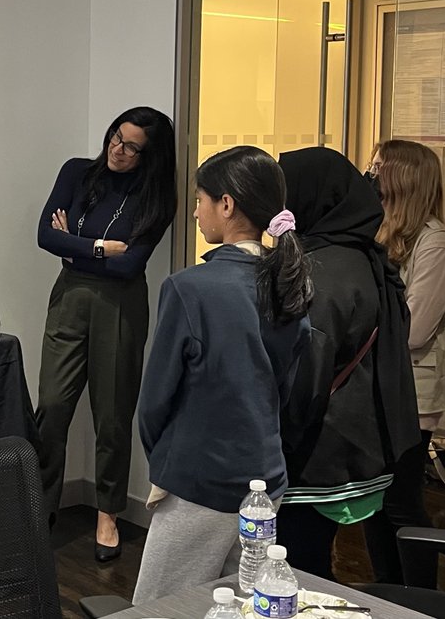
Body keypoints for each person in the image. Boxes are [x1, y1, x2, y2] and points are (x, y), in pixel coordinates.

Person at [131, 146, 312, 601]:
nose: (195, 212)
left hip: (200, 477)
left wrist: (167, 466)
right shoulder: (289, 286)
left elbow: (154, 400)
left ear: (226, 204)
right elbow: (285, 391)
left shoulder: (189, 288)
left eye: (199, 200)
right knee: (245, 603)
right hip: (266, 478)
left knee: (160, 608)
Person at [34, 106, 177, 562]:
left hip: (121, 305)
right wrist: (97, 248)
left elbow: (131, 263)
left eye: (132, 146)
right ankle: (40, 508)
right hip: (70, 297)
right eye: (117, 137)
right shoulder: (76, 173)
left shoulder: (156, 197)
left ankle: (109, 513)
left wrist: (73, 249)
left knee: (113, 413)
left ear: (149, 155)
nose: (118, 149)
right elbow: (44, 236)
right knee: (52, 407)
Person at [274, 147, 419, 580]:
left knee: (297, 573)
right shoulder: (361, 257)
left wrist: (274, 441)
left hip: (317, 457)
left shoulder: (322, 271)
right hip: (357, 446)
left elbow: (306, 375)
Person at [361, 140, 445, 585]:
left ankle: (419, 596)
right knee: (376, 503)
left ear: (402, 177)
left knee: (401, 502)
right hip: (381, 388)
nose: (369, 173)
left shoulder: (436, 243)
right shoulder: (383, 234)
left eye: (378, 167)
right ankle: (388, 593)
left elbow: (414, 330)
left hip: (412, 393)